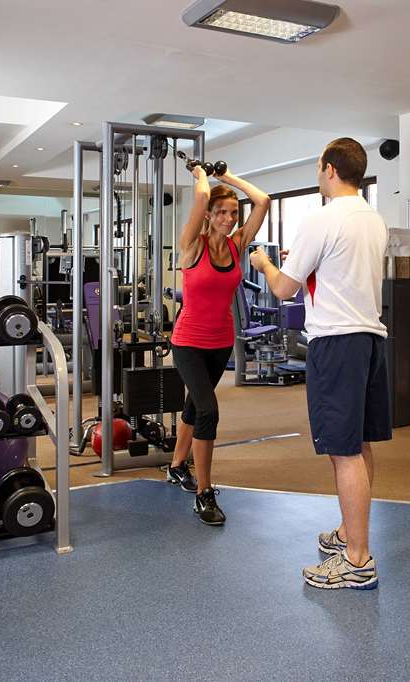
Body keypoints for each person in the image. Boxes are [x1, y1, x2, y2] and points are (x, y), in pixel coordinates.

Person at [250, 137, 389, 590]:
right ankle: (350, 533)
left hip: (337, 342)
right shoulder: (372, 219)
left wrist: (264, 264)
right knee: (358, 444)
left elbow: (283, 290)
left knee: (342, 451)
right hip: (369, 338)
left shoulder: (322, 218)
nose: (318, 174)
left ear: (330, 169)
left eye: (317, 167)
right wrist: (305, 263)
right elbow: (340, 270)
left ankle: (357, 559)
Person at [166, 165, 270, 525]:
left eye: (233, 213)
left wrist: (227, 178)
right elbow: (200, 196)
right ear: (208, 215)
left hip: (221, 341)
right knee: (208, 411)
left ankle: (176, 465)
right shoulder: (192, 245)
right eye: (222, 212)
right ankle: (204, 493)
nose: (229, 219)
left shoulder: (236, 244)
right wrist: (200, 174)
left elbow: (263, 200)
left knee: (195, 405)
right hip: (188, 342)